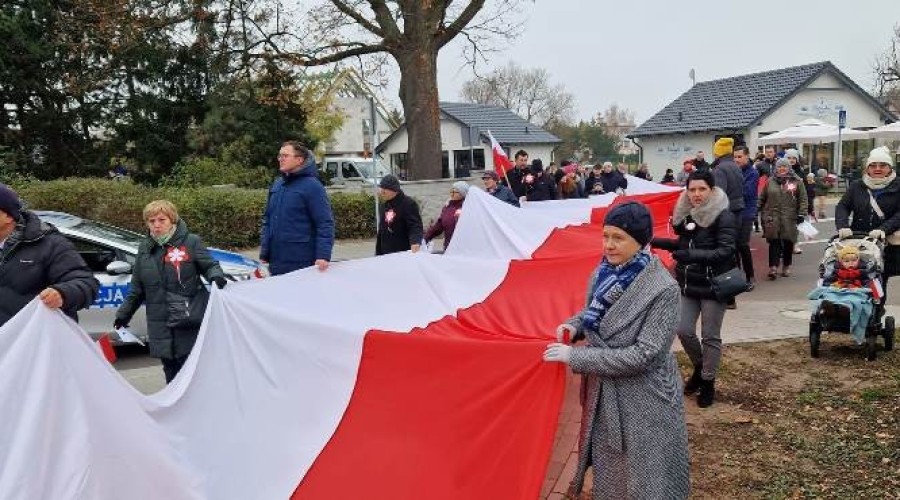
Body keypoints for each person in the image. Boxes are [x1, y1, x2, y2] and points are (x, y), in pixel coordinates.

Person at [544, 201, 689, 499]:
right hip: (606, 393)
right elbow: (594, 313)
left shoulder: (663, 289)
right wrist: (575, 327)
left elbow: (645, 355)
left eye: (618, 238)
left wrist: (576, 357)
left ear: (641, 240)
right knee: (611, 476)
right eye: (605, 236)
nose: (608, 245)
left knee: (648, 479)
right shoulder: (604, 272)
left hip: (646, 399)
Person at [114, 200, 227, 383]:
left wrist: (216, 277)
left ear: (172, 220)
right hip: (160, 322)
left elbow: (210, 265)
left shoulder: (191, 242)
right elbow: (137, 287)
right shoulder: (145, 248)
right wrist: (123, 315)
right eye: (151, 221)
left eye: (161, 220)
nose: (156, 225)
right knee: (170, 371)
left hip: (187, 318)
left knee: (190, 371)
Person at [651, 170, 736, 408]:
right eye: (692, 189)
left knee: (710, 336)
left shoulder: (723, 215)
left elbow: (726, 251)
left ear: (711, 190)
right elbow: (683, 243)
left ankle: (708, 381)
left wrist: (691, 255)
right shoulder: (687, 214)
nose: (696, 194)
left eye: (702, 189)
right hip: (689, 283)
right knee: (683, 329)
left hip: (714, 284)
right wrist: (654, 241)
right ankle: (701, 367)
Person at [0, 184, 99, 327]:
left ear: (8, 216)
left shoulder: (50, 243)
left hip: (33, 340)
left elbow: (87, 284)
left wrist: (62, 293)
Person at [261, 141, 335, 276]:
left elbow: (324, 223)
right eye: (279, 156)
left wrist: (323, 256)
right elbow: (268, 220)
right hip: (277, 261)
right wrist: (265, 252)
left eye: (285, 156)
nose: (280, 159)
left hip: (302, 262)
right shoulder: (278, 185)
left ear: (299, 160)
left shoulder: (312, 186)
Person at [835, 146, 900, 295]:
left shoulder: (898, 185)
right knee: (854, 276)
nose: (877, 169)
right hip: (859, 240)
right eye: (873, 165)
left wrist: (884, 229)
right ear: (867, 168)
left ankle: (876, 312)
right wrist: (842, 226)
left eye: (882, 165)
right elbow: (843, 206)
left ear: (890, 168)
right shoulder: (857, 185)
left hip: (887, 242)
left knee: (878, 279)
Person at [808, 244, 875, 344]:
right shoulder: (837, 271)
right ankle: (832, 308)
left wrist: (866, 289)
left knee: (855, 301)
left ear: (858, 260)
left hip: (855, 291)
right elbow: (828, 282)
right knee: (829, 296)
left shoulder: (863, 272)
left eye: (854, 260)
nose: (850, 263)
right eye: (846, 261)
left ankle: (844, 309)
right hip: (838, 289)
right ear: (841, 262)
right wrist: (829, 286)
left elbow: (868, 284)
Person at [758, 158, 808, 279]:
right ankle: (773, 268)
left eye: (784, 166)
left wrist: (802, 213)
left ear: (789, 168)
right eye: (780, 167)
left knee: (788, 242)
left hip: (789, 217)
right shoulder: (770, 181)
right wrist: (757, 208)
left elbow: (803, 199)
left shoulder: (796, 181)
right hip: (773, 217)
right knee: (773, 242)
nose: (782, 169)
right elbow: (762, 197)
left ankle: (786, 266)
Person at [375, 174, 424, 255]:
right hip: (385, 254)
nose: (381, 191)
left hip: (402, 253)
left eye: (384, 188)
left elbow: (415, 226)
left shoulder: (408, 204)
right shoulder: (384, 205)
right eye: (381, 188)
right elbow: (382, 231)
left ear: (394, 190)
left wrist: (415, 241)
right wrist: (378, 252)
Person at [734, 145, 759, 290]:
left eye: (739, 156)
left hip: (747, 213)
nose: (736, 159)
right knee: (733, 246)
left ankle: (750, 276)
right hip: (734, 212)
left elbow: (747, 192)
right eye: (735, 157)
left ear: (747, 156)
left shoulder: (752, 172)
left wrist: (732, 187)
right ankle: (737, 277)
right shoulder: (734, 170)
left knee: (742, 244)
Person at [424, 181, 467, 251]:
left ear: (463, 193)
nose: (452, 194)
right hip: (449, 246)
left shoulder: (467, 207)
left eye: (455, 192)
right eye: (451, 191)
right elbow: (439, 226)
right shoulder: (447, 207)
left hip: (463, 247)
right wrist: (425, 238)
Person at [710, 137, 745, 218]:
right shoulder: (736, 166)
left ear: (718, 153)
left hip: (727, 210)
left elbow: (718, 194)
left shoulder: (719, 169)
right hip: (739, 208)